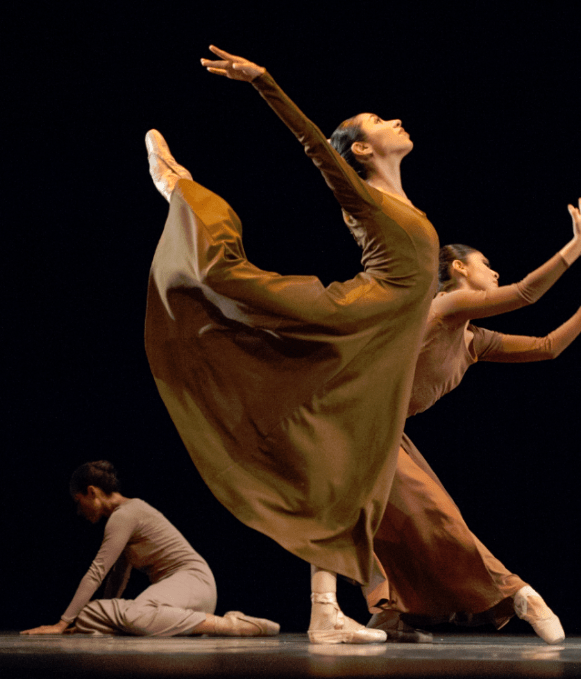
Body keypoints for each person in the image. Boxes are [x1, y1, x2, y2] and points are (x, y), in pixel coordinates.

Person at [144, 45, 439, 643]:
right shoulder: (365, 198)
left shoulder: (408, 205)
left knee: (349, 467)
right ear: (360, 149)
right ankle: (181, 188)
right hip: (351, 316)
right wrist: (264, 82)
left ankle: (325, 611)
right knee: (230, 281)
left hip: (380, 347)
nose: (395, 120)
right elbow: (314, 147)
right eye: (379, 121)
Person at [365, 220, 581, 646]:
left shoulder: (475, 339)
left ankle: (393, 615)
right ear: (458, 268)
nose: (494, 272)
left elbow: (547, 346)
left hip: (383, 431)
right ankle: (519, 595)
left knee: (396, 524)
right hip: (356, 422)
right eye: (486, 264)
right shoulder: (443, 307)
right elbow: (525, 293)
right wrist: (574, 246)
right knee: (428, 516)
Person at [21, 461, 279, 637]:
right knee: (91, 614)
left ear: (92, 492)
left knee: (134, 613)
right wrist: (87, 617)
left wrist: (61, 623)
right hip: (178, 599)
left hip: (193, 582)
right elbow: (118, 575)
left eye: (79, 502)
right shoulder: (123, 516)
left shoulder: (124, 515)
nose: (79, 511)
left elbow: (96, 571)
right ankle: (179, 625)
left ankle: (231, 625)